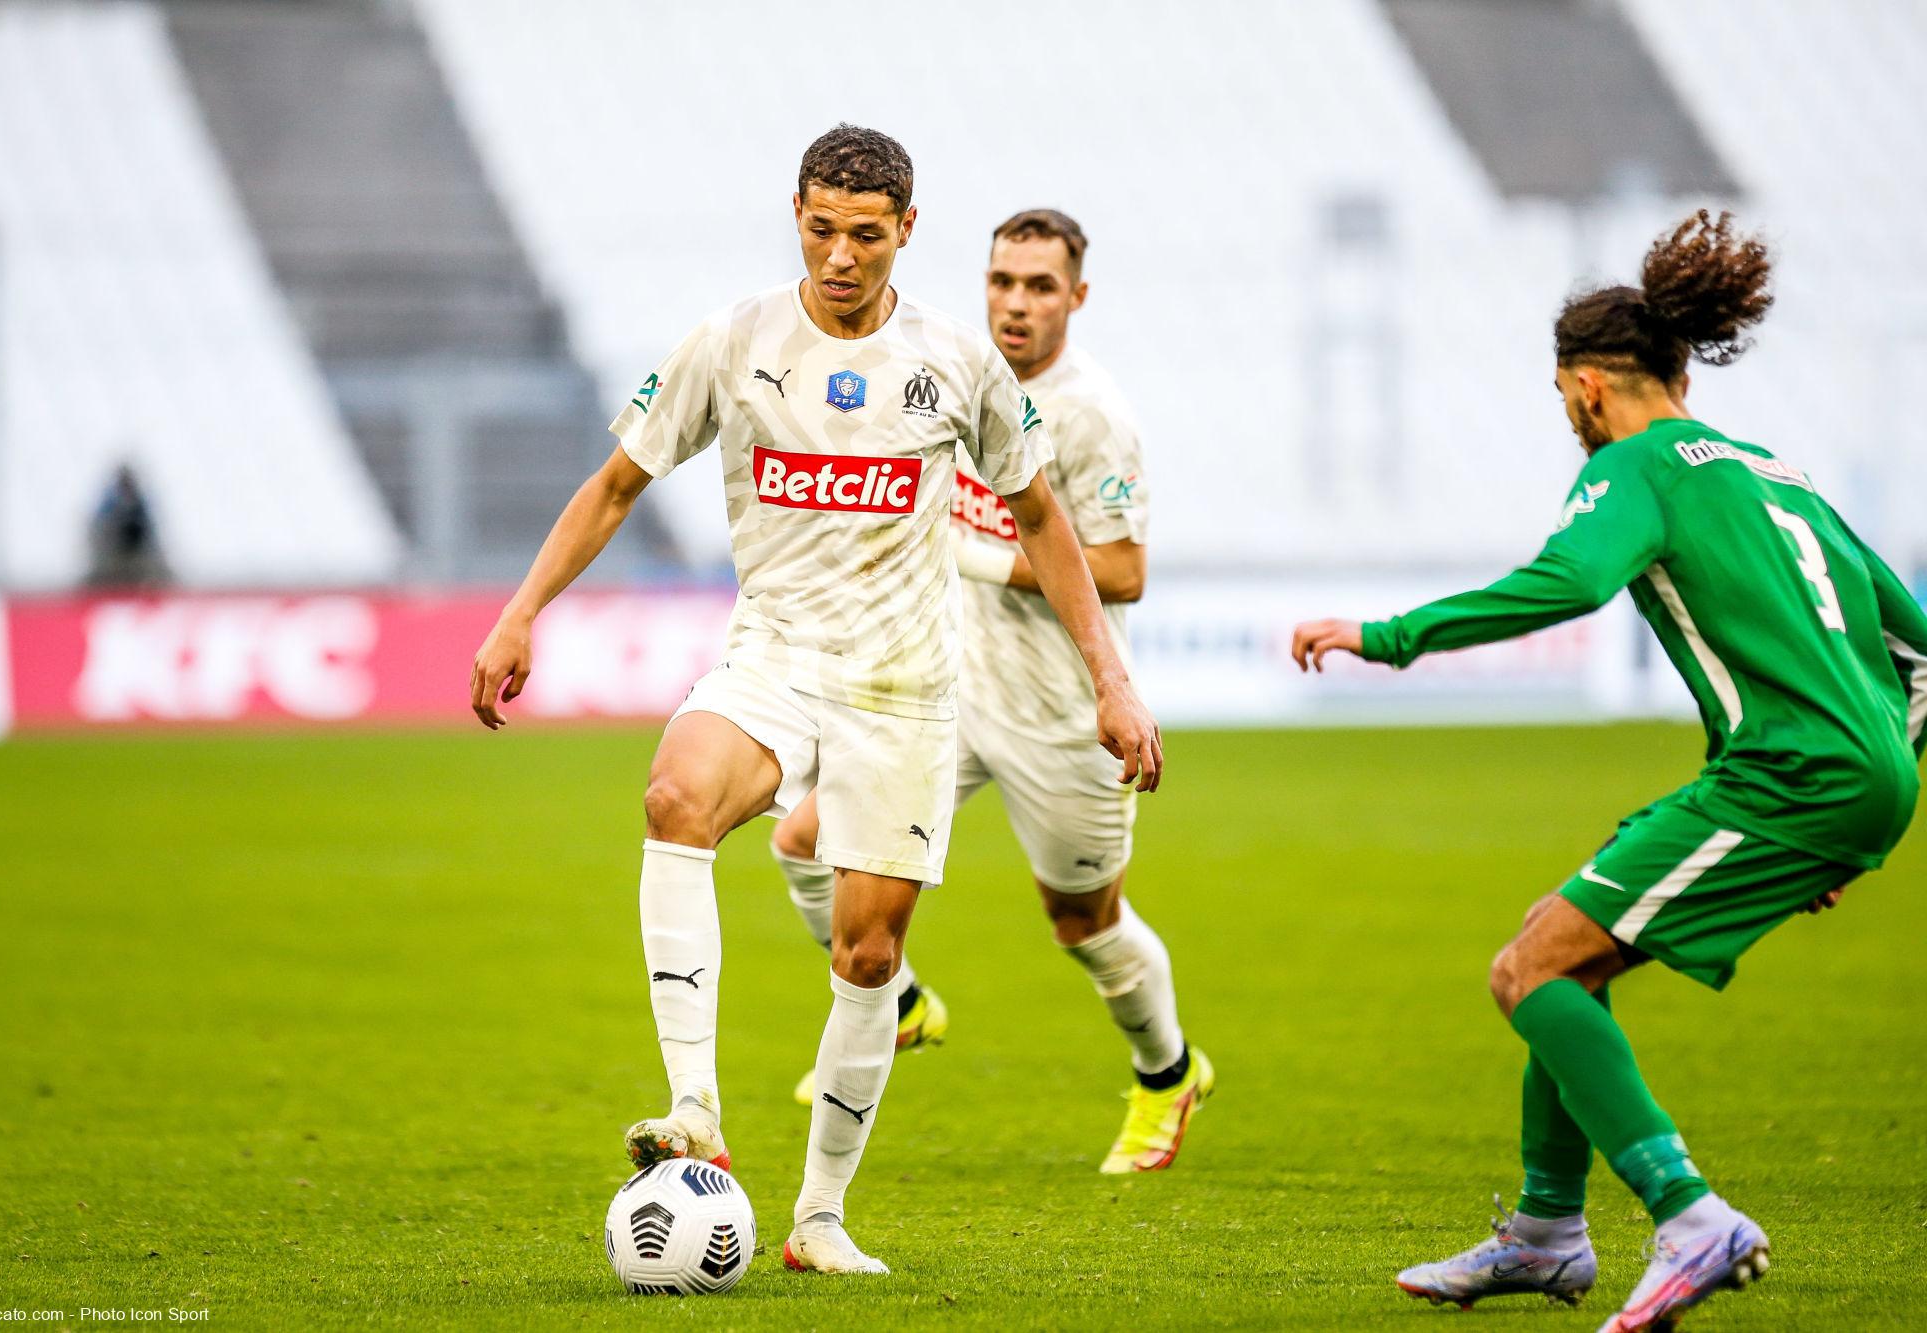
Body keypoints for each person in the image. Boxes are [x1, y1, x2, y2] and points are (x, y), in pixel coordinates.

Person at [468, 126, 1163, 1276]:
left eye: (867, 234)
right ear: (796, 212)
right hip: (775, 660)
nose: (841, 255)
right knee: (674, 796)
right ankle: (693, 1112)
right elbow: (615, 485)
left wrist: (1112, 682)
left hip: (901, 688)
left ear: (906, 230)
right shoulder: (733, 341)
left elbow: (1042, 519)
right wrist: (518, 611)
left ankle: (820, 1219)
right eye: (822, 228)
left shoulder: (956, 362)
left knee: (868, 955)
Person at [1290, 210, 1926, 1331]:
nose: (1570, 421)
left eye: (1561, 402)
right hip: (1838, 772)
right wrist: (1872, 797)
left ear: (1585, 387)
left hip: (1794, 774)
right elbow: (1915, 651)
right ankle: (1544, 1236)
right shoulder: (1777, 473)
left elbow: (1567, 583)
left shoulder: (1631, 467)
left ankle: (1688, 1216)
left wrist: (1381, 635)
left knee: (1524, 972)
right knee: (1560, 949)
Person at [771, 208, 1209, 1173]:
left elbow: (1126, 569)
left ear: (1076, 298)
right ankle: (905, 1005)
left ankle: (1167, 1071)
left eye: (1040, 286)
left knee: (1081, 923)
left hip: (1060, 714)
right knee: (804, 840)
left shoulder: (1093, 414)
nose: (1016, 303)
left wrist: (972, 552)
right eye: (1003, 281)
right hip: (949, 690)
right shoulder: (957, 374)